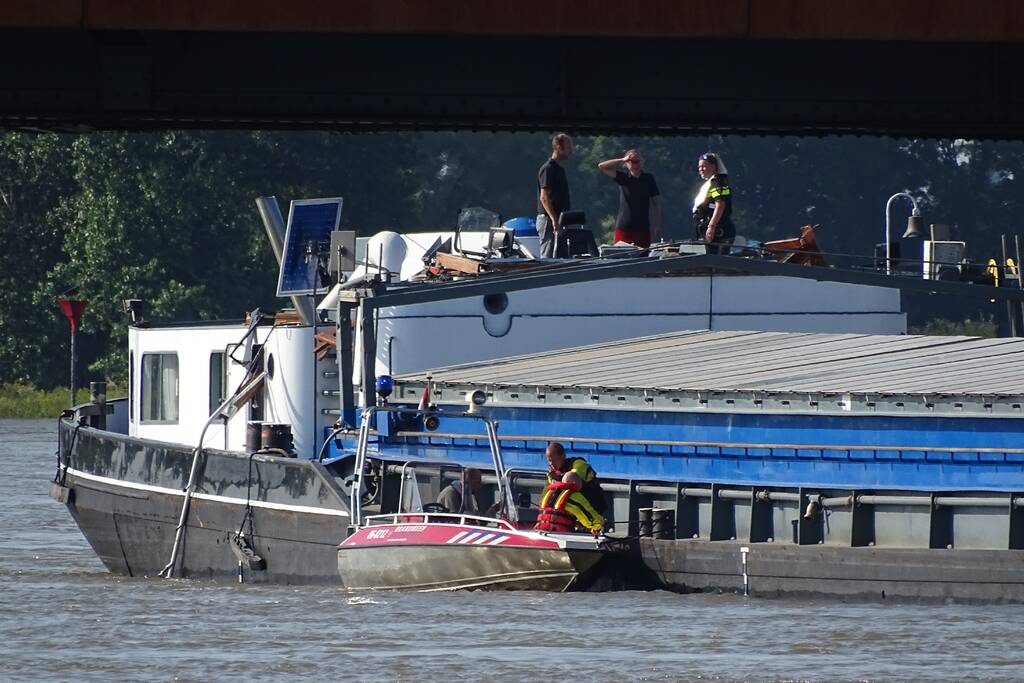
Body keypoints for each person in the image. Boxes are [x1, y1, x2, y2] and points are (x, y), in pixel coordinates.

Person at [534, 442, 606, 534]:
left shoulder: (580, 464)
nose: (551, 464)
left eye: (553, 460)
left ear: (563, 456)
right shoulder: (553, 475)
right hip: (576, 512)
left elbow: (573, 478)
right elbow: (544, 496)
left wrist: (558, 477)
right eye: (549, 461)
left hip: (594, 506)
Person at [597, 149, 661, 248]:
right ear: (627, 164)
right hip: (624, 228)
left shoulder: (648, 179)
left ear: (643, 162)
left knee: (643, 259)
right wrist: (622, 159)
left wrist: (656, 224)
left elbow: (656, 203)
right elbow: (602, 166)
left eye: (638, 161)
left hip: (642, 228)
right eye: (632, 162)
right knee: (621, 258)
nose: (636, 164)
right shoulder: (623, 178)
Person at [536, 133, 573, 258]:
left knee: (560, 256)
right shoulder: (548, 169)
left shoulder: (559, 169)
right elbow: (544, 197)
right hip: (548, 220)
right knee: (548, 256)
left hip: (560, 220)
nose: (570, 151)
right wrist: (554, 220)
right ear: (558, 147)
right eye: (568, 147)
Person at [692, 152, 735, 255]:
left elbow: (720, 204)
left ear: (713, 166)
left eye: (704, 166)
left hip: (719, 232)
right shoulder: (711, 183)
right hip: (708, 229)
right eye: (699, 167)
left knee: (715, 262)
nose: (701, 169)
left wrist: (711, 226)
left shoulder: (717, 183)